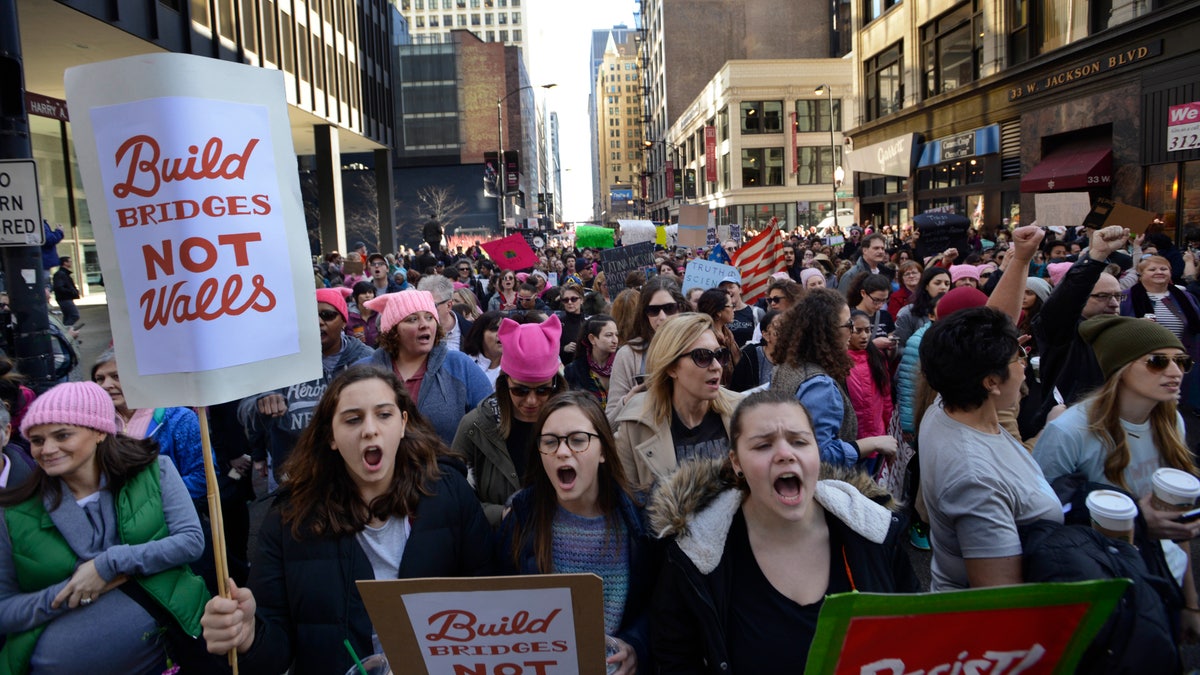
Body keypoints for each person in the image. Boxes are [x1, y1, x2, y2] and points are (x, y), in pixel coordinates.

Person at [201, 367, 493, 675]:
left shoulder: (450, 494)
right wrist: (247, 636)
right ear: (331, 436)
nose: (370, 430)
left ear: (404, 423)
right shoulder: (290, 519)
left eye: (383, 415)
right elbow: (274, 647)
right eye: (353, 419)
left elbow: (487, 603)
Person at [649, 390, 920, 673]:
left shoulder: (874, 531)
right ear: (737, 463)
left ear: (817, 452)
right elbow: (675, 659)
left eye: (799, 441)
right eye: (763, 445)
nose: (785, 454)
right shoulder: (695, 557)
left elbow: (916, 634)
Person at [0, 382, 209, 674]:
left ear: (99, 431)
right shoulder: (12, 512)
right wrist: (73, 591)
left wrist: (108, 565)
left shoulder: (155, 471)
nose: (47, 449)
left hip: (166, 656)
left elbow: (190, 541)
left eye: (62, 435)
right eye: (36, 440)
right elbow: (5, 610)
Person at [1034, 315, 1200, 633]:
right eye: (1157, 361)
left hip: (1164, 578)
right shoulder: (1069, 431)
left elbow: (1174, 530)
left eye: (1182, 361)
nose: (1175, 371)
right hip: (1102, 587)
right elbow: (1041, 522)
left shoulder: (1171, 422)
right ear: (1120, 369)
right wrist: (1138, 520)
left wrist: (1190, 602)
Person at [496, 392, 654, 675]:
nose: (563, 451)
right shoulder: (521, 520)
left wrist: (635, 647)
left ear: (604, 450)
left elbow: (662, 608)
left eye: (578, 440)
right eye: (550, 442)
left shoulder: (640, 522)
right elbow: (496, 610)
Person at [919, 307, 1063, 590]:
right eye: (1018, 358)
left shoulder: (945, 404)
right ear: (991, 382)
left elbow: (964, 349)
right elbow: (1000, 596)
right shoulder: (975, 481)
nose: (1024, 367)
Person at [239, 288, 373, 484]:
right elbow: (244, 410)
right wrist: (261, 404)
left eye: (327, 315)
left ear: (344, 321)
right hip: (295, 477)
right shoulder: (281, 359)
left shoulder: (366, 359)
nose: (318, 321)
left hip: (352, 476)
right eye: (310, 315)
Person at [452, 314, 565, 526]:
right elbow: (455, 497)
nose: (531, 401)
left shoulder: (575, 423)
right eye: (520, 390)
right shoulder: (475, 426)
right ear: (505, 384)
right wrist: (501, 515)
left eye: (543, 390)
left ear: (555, 384)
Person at [613, 313, 741, 493]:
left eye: (720, 355)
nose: (717, 366)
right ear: (672, 367)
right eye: (703, 356)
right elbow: (627, 506)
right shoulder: (635, 425)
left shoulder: (742, 412)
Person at [770, 289, 897, 468]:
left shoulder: (787, 366)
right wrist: (871, 444)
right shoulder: (819, 386)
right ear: (827, 331)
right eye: (848, 326)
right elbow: (819, 454)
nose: (852, 332)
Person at [1032, 225, 1130, 427]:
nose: (1113, 303)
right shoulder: (1063, 332)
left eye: (1118, 296)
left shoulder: (1127, 335)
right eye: (1102, 296)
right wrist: (1095, 257)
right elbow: (1066, 301)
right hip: (1072, 429)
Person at [1120, 254, 1200, 411]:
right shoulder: (1126, 297)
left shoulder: (1185, 297)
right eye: (1153, 269)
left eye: (1164, 269)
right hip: (1144, 359)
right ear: (1141, 274)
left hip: (1182, 359)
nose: (1159, 272)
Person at [606, 277, 688, 425]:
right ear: (644, 314)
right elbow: (610, 424)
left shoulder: (698, 345)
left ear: (680, 308)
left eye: (669, 308)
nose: (662, 317)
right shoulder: (627, 355)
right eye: (653, 310)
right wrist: (629, 400)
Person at [846, 310, 893, 442]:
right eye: (858, 331)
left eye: (867, 330)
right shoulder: (840, 362)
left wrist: (888, 428)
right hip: (854, 440)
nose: (864, 336)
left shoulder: (877, 357)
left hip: (879, 433)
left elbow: (886, 396)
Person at [565, 314, 619, 409]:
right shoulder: (574, 370)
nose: (615, 340)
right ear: (592, 339)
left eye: (616, 335)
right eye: (609, 335)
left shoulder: (623, 363)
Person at [893, 266, 951, 355]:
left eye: (947, 284)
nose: (943, 287)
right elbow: (898, 347)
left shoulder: (955, 311)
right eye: (937, 283)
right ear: (926, 286)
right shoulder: (908, 312)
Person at [698, 288, 741, 386]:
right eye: (731, 306)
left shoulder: (727, 333)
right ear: (718, 312)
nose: (734, 309)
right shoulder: (704, 338)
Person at [419, 275, 473, 353]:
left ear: (449, 305)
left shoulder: (471, 331)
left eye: (433, 305)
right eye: (422, 305)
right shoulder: (415, 332)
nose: (426, 310)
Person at [730, 311, 781, 393]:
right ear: (766, 336)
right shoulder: (750, 356)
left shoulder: (796, 358)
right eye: (779, 330)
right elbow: (736, 391)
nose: (787, 333)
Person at [461, 310, 505, 388]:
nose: (500, 334)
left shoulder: (516, 367)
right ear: (480, 334)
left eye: (505, 330)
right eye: (494, 329)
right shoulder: (465, 364)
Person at [718, 278, 762, 349]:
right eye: (724, 288)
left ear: (740, 290)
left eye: (731, 287)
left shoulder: (756, 312)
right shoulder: (719, 314)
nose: (727, 290)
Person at [555, 282, 588, 366]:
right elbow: (549, 349)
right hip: (565, 370)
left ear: (582, 300)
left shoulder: (589, 323)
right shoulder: (558, 323)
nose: (569, 302)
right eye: (565, 300)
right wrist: (563, 349)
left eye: (573, 299)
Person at [345, 281, 381, 348]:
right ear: (355, 296)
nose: (367, 295)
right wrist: (353, 339)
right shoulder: (348, 316)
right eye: (363, 293)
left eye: (370, 292)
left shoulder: (380, 314)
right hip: (357, 353)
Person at [51, 256, 81, 327]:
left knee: (68, 316)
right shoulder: (61, 274)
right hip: (64, 298)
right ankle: (66, 331)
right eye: (70, 262)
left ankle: (65, 330)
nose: (71, 263)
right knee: (74, 315)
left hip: (65, 298)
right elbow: (59, 287)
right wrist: (71, 291)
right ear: (65, 263)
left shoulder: (63, 273)